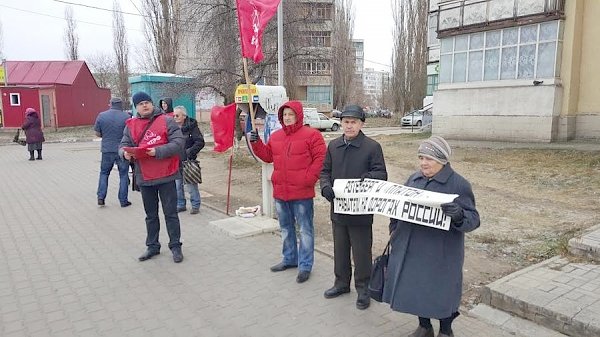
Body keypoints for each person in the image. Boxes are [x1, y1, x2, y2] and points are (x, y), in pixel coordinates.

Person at [382, 136, 480, 337]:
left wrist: (460, 215)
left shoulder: (458, 185)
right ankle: (424, 326)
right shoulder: (413, 179)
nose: (423, 163)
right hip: (412, 247)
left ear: (442, 161)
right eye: (421, 157)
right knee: (417, 288)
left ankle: (446, 330)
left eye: (429, 159)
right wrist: (394, 227)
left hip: (441, 253)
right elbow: (399, 205)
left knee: (443, 293)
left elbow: (474, 220)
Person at [249, 101, 326, 283]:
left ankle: (305, 265)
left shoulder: (312, 135)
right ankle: (290, 258)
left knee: (305, 230)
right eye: (284, 115)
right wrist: (256, 142)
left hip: (302, 193)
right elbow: (267, 156)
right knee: (285, 228)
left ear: (298, 115)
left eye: (291, 114)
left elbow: (321, 159)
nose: (287, 117)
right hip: (281, 192)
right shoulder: (276, 136)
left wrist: (308, 179)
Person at [319, 104, 387, 310]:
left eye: (353, 122)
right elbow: (325, 171)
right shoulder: (333, 146)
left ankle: (363, 288)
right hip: (338, 209)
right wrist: (325, 188)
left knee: (361, 252)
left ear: (361, 124)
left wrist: (370, 177)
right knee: (340, 250)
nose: (349, 126)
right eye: (346, 122)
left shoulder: (372, 147)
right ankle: (341, 283)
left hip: (360, 211)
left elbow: (382, 174)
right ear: (341, 123)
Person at [119, 91, 185, 263]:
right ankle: (153, 246)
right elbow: (123, 145)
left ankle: (176, 246)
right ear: (136, 107)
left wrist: (158, 151)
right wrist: (124, 154)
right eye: (141, 104)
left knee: (170, 213)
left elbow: (178, 143)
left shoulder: (166, 120)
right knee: (151, 215)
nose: (145, 105)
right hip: (145, 177)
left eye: (147, 102)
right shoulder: (130, 125)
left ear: (152, 104)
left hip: (166, 174)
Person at [94, 97, 132, 207]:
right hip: (122, 150)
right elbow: (130, 133)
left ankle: (101, 197)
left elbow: (97, 133)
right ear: (121, 104)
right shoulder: (127, 116)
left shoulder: (102, 115)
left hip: (107, 149)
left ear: (110, 104)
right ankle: (123, 200)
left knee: (104, 173)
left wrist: (105, 135)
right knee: (123, 175)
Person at [173, 106, 205, 214]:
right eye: (174, 115)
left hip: (188, 161)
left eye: (177, 115)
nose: (175, 117)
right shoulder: (173, 128)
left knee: (191, 185)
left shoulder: (192, 126)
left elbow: (200, 142)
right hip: (176, 160)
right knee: (178, 185)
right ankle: (181, 205)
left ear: (184, 116)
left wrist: (189, 152)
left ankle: (195, 205)